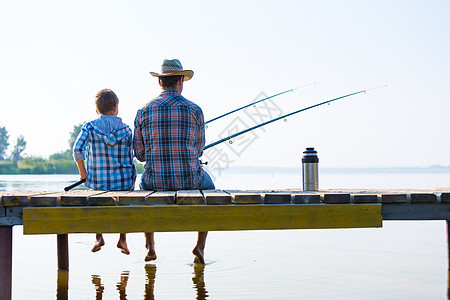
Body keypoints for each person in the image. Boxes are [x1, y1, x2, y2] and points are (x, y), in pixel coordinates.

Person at [133, 59, 215, 264]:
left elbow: (140, 155)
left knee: (143, 189)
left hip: (154, 182)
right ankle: (200, 247)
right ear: (181, 80)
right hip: (191, 180)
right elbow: (198, 149)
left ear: (160, 82)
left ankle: (150, 246)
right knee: (211, 190)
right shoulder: (195, 110)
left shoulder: (143, 111)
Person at [73, 89, 137, 255]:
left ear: (97, 110)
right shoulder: (127, 130)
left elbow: (77, 149)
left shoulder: (89, 128)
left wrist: (83, 174)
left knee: (97, 203)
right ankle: (122, 239)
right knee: (124, 205)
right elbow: (134, 154)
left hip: (97, 183)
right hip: (124, 183)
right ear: (116, 107)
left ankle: (99, 237)